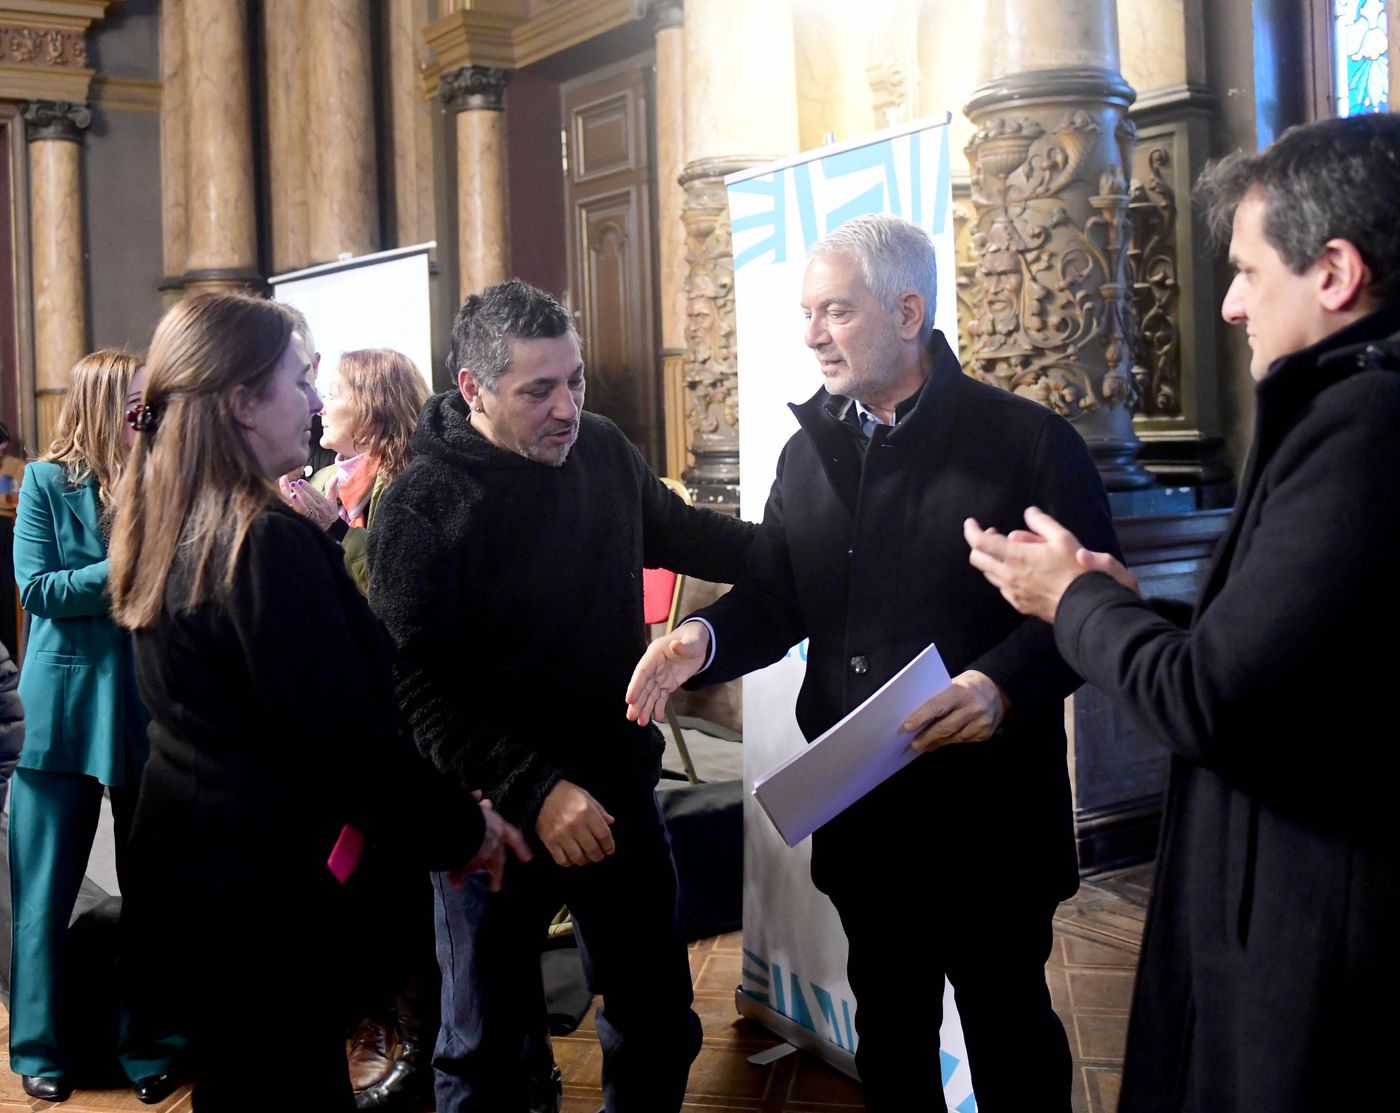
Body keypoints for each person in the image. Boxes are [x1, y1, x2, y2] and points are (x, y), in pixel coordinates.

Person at [625, 214, 1118, 1112]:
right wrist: (705, 639)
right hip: (869, 817)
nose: (812, 333)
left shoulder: (1028, 445)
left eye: (835, 311)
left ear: (908, 310)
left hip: (991, 819)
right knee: (890, 1040)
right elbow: (776, 597)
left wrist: (996, 685)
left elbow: (1086, 616)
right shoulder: (807, 454)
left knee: (1011, 1034)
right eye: (808, 311)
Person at [964, 113, 1400, 1113]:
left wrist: (1069, 599)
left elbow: (1211, 701)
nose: (1233, 306)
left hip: (1315, 930)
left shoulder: (1364, 424)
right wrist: (1129, 602)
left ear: (1332, 273)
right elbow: (1293, 649)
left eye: (1248, 272)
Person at [108, 291, 527, 1112]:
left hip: (192, 868)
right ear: (240, 400)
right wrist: (465, 827)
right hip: (260, 892)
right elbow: (346, 743)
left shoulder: (167, 513)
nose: (311, 399)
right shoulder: (262, 538)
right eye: (299, 380)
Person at [366, 279, 754, 1113]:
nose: (567, 407)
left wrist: (819, 547)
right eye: (537, 390)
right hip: (495, 818)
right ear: (472, 390)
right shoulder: (419, 505)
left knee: (656, 1017)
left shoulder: (603, 449)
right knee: (483, 1055)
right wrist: (535, 791)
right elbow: (413, 685)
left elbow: (692, 533)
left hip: (617, 795)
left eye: (574, 380)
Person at [8, 349, 182, 1104]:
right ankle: (39, 1049)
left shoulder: (165, 476)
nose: (150, 413)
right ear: (105, 402)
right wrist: (126, 563)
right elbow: (38, 588)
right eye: (138, 400)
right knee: (42, 893)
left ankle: (152, 1049)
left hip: (147, 705)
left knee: (156, 894)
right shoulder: (46, 481)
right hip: (64, 710)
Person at [280, 346, 439, 1108]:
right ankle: (376, 1017)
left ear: (369, 406)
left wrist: (324, 538)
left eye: (330, 392)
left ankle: (406, 1027)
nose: (317, 405)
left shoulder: (406, 490)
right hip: (351, 724)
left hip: (408, 726)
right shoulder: (331, 485)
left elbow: (385, 621)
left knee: (398, 889)